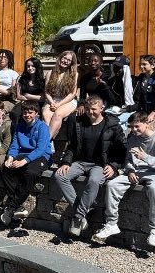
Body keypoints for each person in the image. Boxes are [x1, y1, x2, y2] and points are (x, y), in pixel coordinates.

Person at [94, 114, 155, 247]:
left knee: (154, 189)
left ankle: (154, 230)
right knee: (113, 184)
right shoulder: (132, 139)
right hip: (138, 172)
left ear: (146, 123)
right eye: (131, 127)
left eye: (137, 126)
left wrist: (145, 157)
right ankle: (112, 223)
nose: (134, 130)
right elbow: (129, 160)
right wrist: (130, 170)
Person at [54, 95, 126, 237]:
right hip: (80, 162)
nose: (90, 112)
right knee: (59, 175)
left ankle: (78, 217)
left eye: (93, 109)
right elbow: (72, 146)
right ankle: (83, 210)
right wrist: (66, 162)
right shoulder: (79, 123)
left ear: (102, 108)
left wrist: (113, 166)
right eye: (87, 109)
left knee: (94, 181)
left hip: (101, 165)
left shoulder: (112, 125)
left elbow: (122, 151)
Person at [0, 100, 52, 227]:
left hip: (42, 156)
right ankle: (18, 206)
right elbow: (15, 145)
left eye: (30, 113)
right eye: (25, 113)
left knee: (30, 173)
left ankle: (11, 206)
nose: (27, 115)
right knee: (5, 169)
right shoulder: (20, 126)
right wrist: (11, 157)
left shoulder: (42, 127)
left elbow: (40, 149)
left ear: (36, 113)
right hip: (24, 154)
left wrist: (24, 161)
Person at [126, 55, 155, 132]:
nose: (141, 66)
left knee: (147, 131)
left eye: (144, 64)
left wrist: (153, 113)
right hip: (146, 111)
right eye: (140, 64)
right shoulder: (141, 78)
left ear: (153, 65)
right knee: (132, 130)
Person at [43, 50, 79, 137]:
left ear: (71, 63)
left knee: (57, 114)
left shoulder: (74, 74)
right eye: (64, 58)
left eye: (68, 60)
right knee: (45, 115)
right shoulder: (50, 73)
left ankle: (46, 142)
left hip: (67, 101)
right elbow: (47, 91)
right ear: (60, 58)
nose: (65, 61)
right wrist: (52, 102)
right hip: (52, 99)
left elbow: (72, 93)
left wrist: (59, 104)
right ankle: (50, 144)